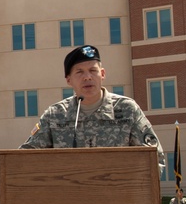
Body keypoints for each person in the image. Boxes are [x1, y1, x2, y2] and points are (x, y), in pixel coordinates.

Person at [19, 45, 164, 163]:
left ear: (102, 74)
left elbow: (154, 158)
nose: (87, 77)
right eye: (80, 72)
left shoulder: (127, 109)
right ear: (68, 80)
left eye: (93, 71)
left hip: (119, 195)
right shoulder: (55, 115)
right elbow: (24, 159)